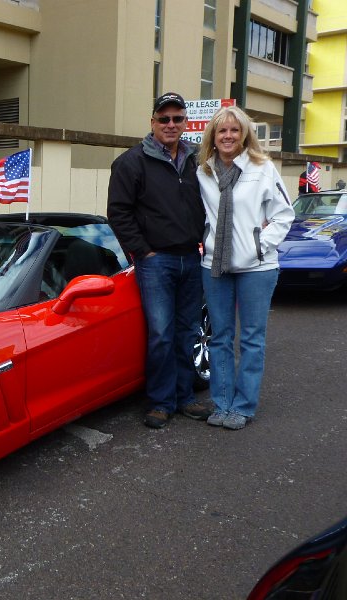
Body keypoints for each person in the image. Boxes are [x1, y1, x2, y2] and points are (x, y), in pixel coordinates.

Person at [107, 92, 210, 429]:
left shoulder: (198, 160)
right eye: (163, 118)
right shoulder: (131, 162)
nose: (170, 124)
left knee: (186, 332)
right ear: (152, 122)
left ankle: (184, 398)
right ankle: (161, 402)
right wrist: (143, 251)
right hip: (157, 262)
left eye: (177, 118)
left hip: (191, 259)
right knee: (162, 334)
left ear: (185, 123)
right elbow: (119, 214)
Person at [196, 105, 294, 430]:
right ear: (213, 135)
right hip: (214, 264)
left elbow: (284, 215)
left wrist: (258, 245)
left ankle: (244, 406)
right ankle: (222, 403)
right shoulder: (204, 171)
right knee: (220, 337)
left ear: (244, 135)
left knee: (252, 338)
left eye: (234, 130)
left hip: (257, 267)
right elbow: (198, 215)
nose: (228, 136)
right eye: (222, 130)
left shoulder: (261, 167)